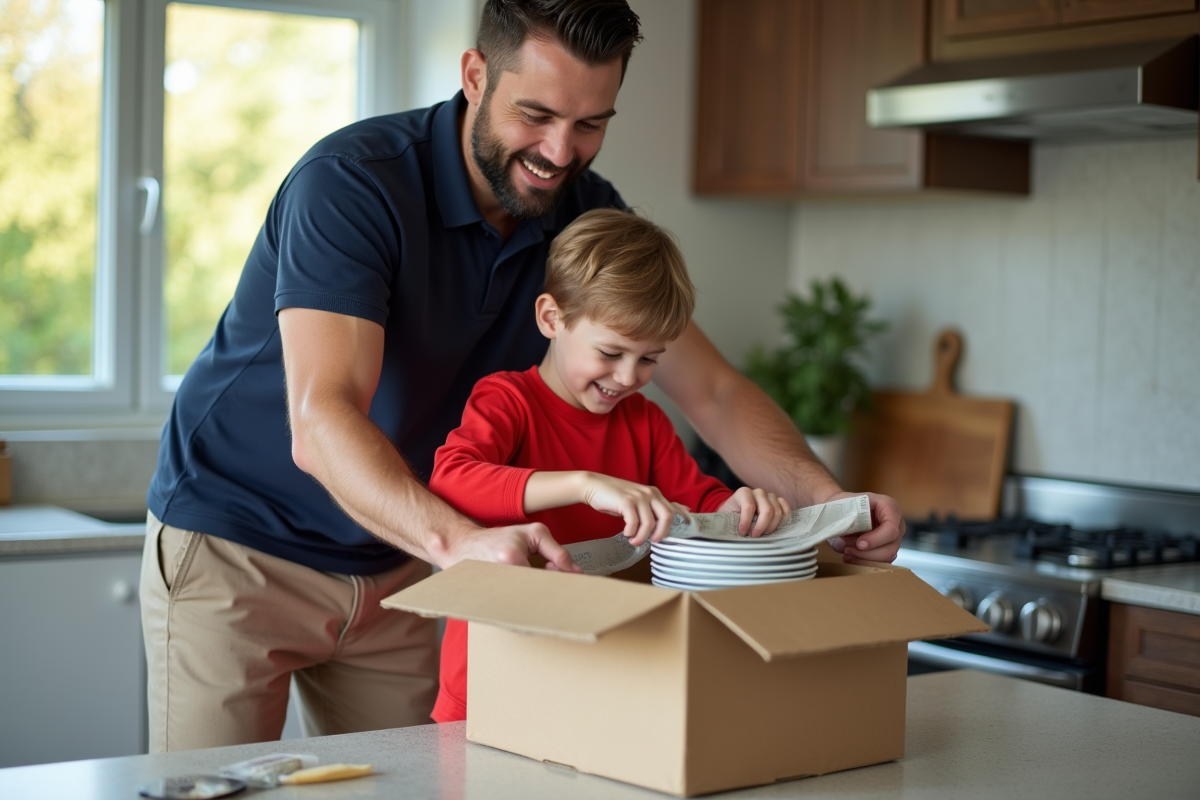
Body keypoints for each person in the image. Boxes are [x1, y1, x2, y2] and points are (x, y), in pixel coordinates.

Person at [140, 0, 904, 753]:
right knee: (215, 787)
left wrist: (829, 504)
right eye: (535, 114)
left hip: (408, 563)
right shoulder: (352, 186)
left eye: (591, 123)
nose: (561, 152)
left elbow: (716, 391)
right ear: (475, 74)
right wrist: (456, 543)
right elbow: (323, 419)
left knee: (415, 782)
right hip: (241, 549)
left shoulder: (581, 218)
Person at [427, 208, 792, 723]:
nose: (628, 377)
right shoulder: (507, 400)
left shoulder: (644, 422)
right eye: (611, 352)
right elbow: (452, 477)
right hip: (492, 676)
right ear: (552, 318)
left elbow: (702, 501)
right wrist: (584, 485)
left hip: (601, 678)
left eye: (649, 359)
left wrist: (741, 504)